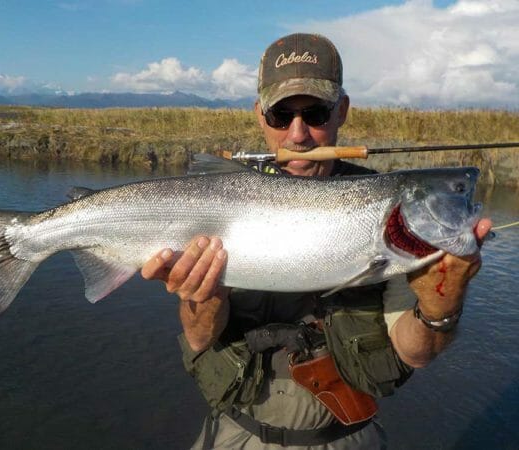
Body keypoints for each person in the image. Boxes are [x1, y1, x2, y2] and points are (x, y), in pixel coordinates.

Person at [141, 33, 492, 449]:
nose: (298, 134)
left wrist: (442, 304)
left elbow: (415, 353)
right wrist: (202, 297)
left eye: (316, 113)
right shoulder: (223, 199)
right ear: (259, 115)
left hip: (347, 436)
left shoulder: (392, 222)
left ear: (341, 111)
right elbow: (200, 341)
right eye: (280, 116)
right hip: (237, 433)